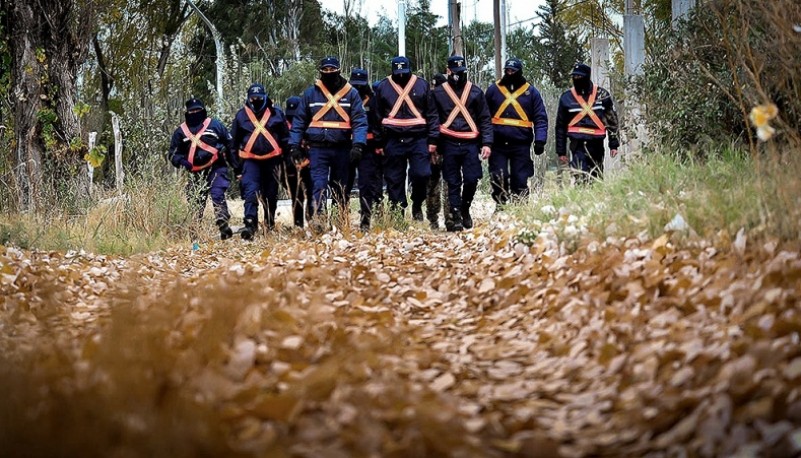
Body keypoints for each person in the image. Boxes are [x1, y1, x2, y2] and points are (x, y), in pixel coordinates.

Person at [288, 56, 368, 231]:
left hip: (342, 147)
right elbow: (299, 121)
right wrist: (294, 145)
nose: (329, 73)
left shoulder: (351, 93)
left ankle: (340, 219)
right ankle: (318, 218)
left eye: (332, 70)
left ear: (339, 70)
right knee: (318, 184)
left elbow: (360, 122)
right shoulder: (310, 94)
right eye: (326, 70)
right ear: (321, 71)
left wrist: (359, 145)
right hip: (317, 148)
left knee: (341, 186)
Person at [429, 55, 493, 232]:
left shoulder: (476, 92)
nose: (458, 75)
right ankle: (456, 214)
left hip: (470, 144)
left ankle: (465, 207)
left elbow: (485, 120)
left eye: (462, 72)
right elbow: (433, 119)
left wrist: (487, 143)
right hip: (448, 143)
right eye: (455, 72)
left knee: (472, 179)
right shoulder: (438, 93)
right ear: (448, 71)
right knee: (452, 181)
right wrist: (433, 142)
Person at [374, 56, 439, 225]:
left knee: (422, 174)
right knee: (394, 179)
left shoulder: (422, 85)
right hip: (392, 139)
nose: (401, 76)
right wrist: (379, 142)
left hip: (418, 138)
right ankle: (398, 214)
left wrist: (433, 139)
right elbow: (377, 117)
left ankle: (417, 203)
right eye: (398, 73)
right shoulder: (382, 87)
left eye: (404, 72)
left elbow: (432, 114)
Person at [485, 58, 548, 210]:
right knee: (498, 176)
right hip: (498, 143)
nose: (510, 73)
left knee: (520, 178)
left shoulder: (531, 92)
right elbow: (484, 116)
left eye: (513, 71)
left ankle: (520, 209)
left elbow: (540, 118)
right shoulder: (494, 90)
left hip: (521, 143)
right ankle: (500, 206)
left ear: (519, 72)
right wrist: (484, 140)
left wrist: (540, 140)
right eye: (507, 70)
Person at [168, 97, 233, 240]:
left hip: (216, 167)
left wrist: (234, 162)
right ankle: (194, 236)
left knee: (217, 194)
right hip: (194, 172)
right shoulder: (180, 132)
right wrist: (182, 162)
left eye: (198, 110)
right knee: (196, 203)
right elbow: (172, 154)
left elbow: (230, 142)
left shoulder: (215, 125)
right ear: (187, 112)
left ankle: (223, 225)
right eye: (192, 111)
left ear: (203, 110)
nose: (195, 112)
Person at [230, 83, 289, 240]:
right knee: (251, 193)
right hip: (250, 162)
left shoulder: (277, 114)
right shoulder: (241, 116)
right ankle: (250, 225)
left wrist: (287, 162)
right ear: (248, 98)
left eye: (258, 97)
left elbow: (285, 139)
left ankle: (269, 223)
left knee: (271, 195)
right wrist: (237, 168)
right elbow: (233, 144)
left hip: (273, 161)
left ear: (265, 97)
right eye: (252, 98)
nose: (255, 100)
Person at [555, 63, 620, 184]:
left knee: (596, 176)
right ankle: (582, 200)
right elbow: (560, 126)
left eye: (580, 77)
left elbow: (612, 121)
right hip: (577, 144)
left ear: (587, 76)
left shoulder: (602, 95)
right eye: (574, 77)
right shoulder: (566, 97)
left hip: (596, 144)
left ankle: (595, 200)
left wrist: (614, 144)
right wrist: (561, 151)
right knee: (579, 174)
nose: (577, 79)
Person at [345, 68, 384, 231]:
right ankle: (340, 218)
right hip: (347, 146)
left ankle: (365, 221)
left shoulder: (373, 100)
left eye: (361, 85)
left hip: (369, 148)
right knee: (343, 184)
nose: (358, 89)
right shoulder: (344, 99)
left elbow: (378, 123)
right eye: (355, 85)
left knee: (367, 184)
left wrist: (379, 144)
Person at [282, 95, 314, 228]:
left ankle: (312, 219)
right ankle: (298, 224)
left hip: (309, 163)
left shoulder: (309, 122)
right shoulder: (282, 125)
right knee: (297, 195)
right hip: (290, 166)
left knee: (313, 191)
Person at [425, 72, 450, 230]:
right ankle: (446, 218)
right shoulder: (449, 100)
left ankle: (435, 219)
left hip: (441, 148)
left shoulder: (430, 100)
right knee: (443, 184)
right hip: (441, 148)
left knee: (435, 185)